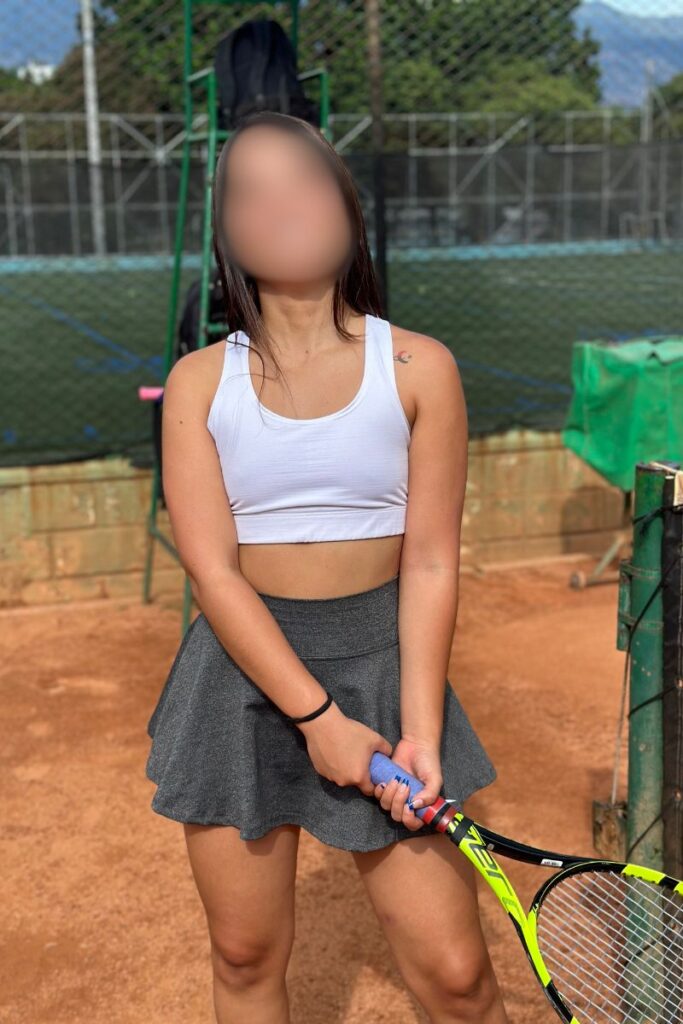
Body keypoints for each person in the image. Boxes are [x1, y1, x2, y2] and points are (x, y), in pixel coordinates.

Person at [145, 110, 508, 1024]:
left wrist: (414, 730)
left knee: (458, 976)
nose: (282, 204)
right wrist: (315, 718)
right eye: (250, 190)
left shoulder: (421, 365)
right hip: (243, 676)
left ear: (346, 205)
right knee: (244, 955)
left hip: (384, 667)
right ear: (224, 231)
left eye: (304, 178)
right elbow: (213, 573)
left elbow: (428, 562)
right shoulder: (197, 381)